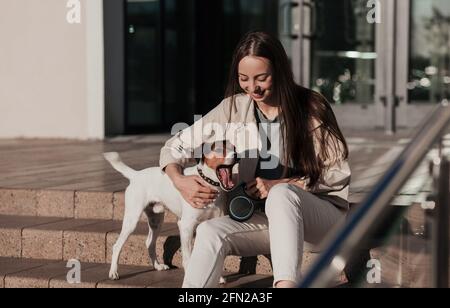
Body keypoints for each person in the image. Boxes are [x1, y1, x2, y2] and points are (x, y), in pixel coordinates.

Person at [159, 31, 351, 288]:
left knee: (282, 194)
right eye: (244, 79)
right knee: (209, 231)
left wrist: (281, 184)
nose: (253, 88)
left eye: (262, 78)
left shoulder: (311, 107)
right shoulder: (233, 108)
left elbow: (336, 174)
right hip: (265, 224)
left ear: (280, 71)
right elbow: (175, 146)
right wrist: (179, 180)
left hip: (319, 221)